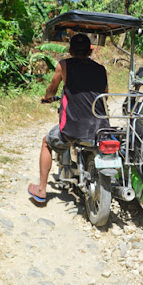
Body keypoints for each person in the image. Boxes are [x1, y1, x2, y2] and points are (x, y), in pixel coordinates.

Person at [28, 34, 109, 203]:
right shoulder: (101, 69)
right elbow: (105, 95)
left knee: (46, 141)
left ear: (70, 50)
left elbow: (51, 90)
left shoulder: (63, 65)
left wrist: (48, 97)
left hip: (72, 130)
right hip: (100, 129)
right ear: (90, 51)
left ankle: (42, 190)